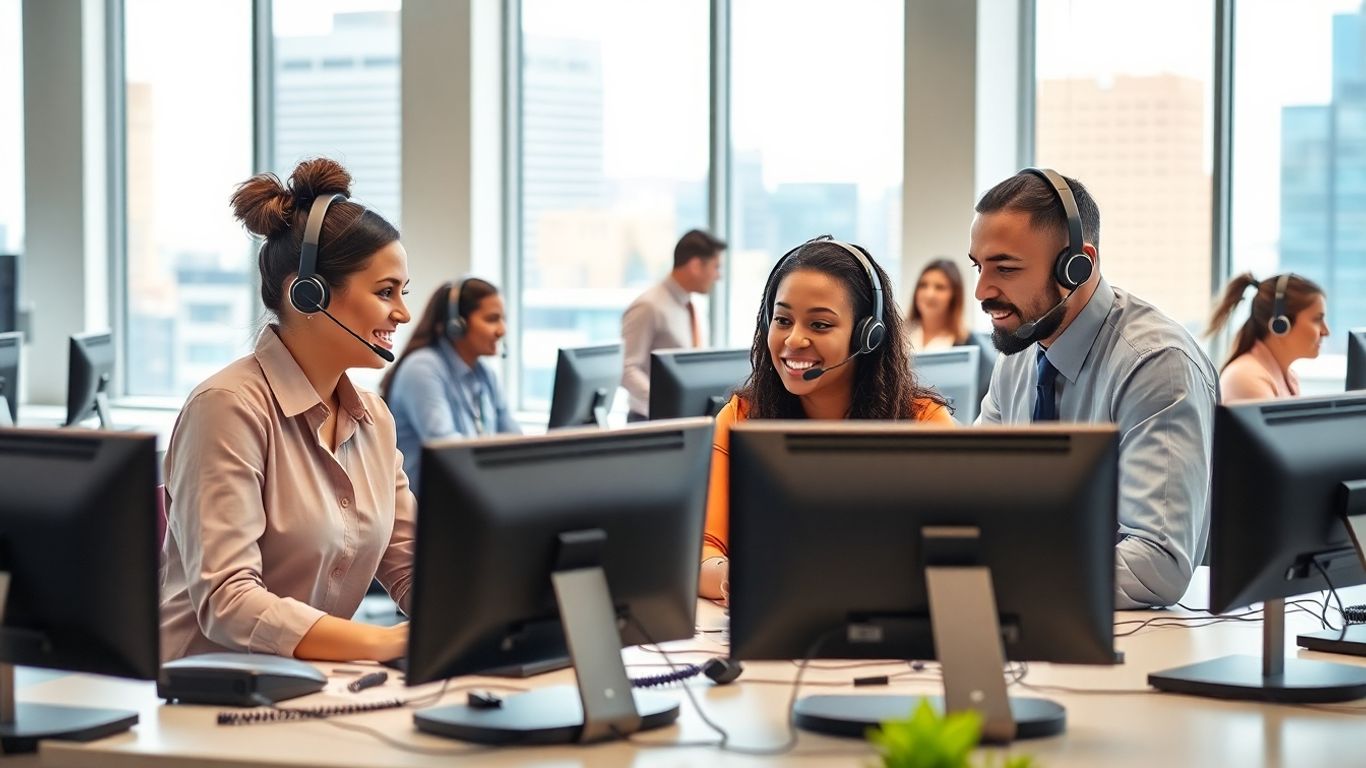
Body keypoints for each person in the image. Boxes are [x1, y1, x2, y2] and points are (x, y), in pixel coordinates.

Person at [160, 158, 414, 662]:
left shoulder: (374, 421)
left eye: (402, 293)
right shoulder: (228, 409)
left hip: (313, 690)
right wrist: (383, 643)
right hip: (211, 701)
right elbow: (229, 601)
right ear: (309, 293)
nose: (403, 313)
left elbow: (409, 564)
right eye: (386, 292)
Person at [971, 168, 1218, 609]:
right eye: (979, 266)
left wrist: (1009, 580)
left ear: (1077, 265)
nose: (982, 291)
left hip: (1129, 638)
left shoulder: (1155, 365)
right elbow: (969, 495)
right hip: (1037, 622)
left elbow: (1157, 564)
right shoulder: (1021, 353)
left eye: (1005, 269)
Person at [698, 236, 954, 601]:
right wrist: (741, 579)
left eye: (819, 325)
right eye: (782, 320)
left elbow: (963, 552)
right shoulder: (741, 419)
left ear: (868, 336)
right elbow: (701, 550)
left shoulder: (924, 424)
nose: (794, 340)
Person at [381, 277, 520, 492]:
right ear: (458, 324)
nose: (502, 330)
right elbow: (449, 452)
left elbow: (513, 440)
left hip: (470, 499)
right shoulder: (423, 368)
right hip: (425, 511)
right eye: (492, 319)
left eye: (503, 319)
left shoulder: (484, 374)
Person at [621, 229, 726, 420]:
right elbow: (627, 368)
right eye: (716, 267)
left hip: (683, 418)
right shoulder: (648, 306)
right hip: (649, 421)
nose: (718, 276)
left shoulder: (692, 307)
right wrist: (667, 400)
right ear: (695, 265)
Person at [1206, 272, 1329, 404]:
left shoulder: (1288, 377)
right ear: (1281, 324)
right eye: (1317, 319)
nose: (1326, 331)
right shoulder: (1247, 377)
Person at [906, 258, 970, 350]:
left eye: (940, 287)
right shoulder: (898, 335)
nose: (929, 294)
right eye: (923, 285)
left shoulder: (967, 342)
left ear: (955, 295)